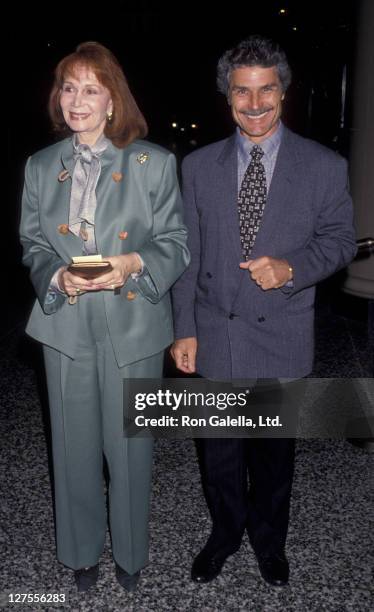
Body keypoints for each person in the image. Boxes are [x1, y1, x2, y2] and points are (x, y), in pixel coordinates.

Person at [170, 35, 357, 587]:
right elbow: (189, 255)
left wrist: (293, 267)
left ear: (284, 90)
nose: (254, 105)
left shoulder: (324, 166)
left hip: (282, 334)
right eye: (241, 93)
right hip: (216, 333)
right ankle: (226, 535)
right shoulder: (199, 167)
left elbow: (341, 241)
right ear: (227, 97)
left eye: (266, 90)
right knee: (220, 461)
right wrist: (183, 330)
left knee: (274, 463)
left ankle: (270, 543)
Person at [20, 41, 189, 593]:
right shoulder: (41, 166)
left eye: (91, 88)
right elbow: (32, 243)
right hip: (65, 325)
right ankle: (81, 551)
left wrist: (134, 261)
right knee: (71, 447)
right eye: (69, 87)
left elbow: (176, 244)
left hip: (134, 321)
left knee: (132, 449)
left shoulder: (154, 162)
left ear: (113, 100)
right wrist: (55, 275)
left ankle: (132, 555)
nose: (77, 99)